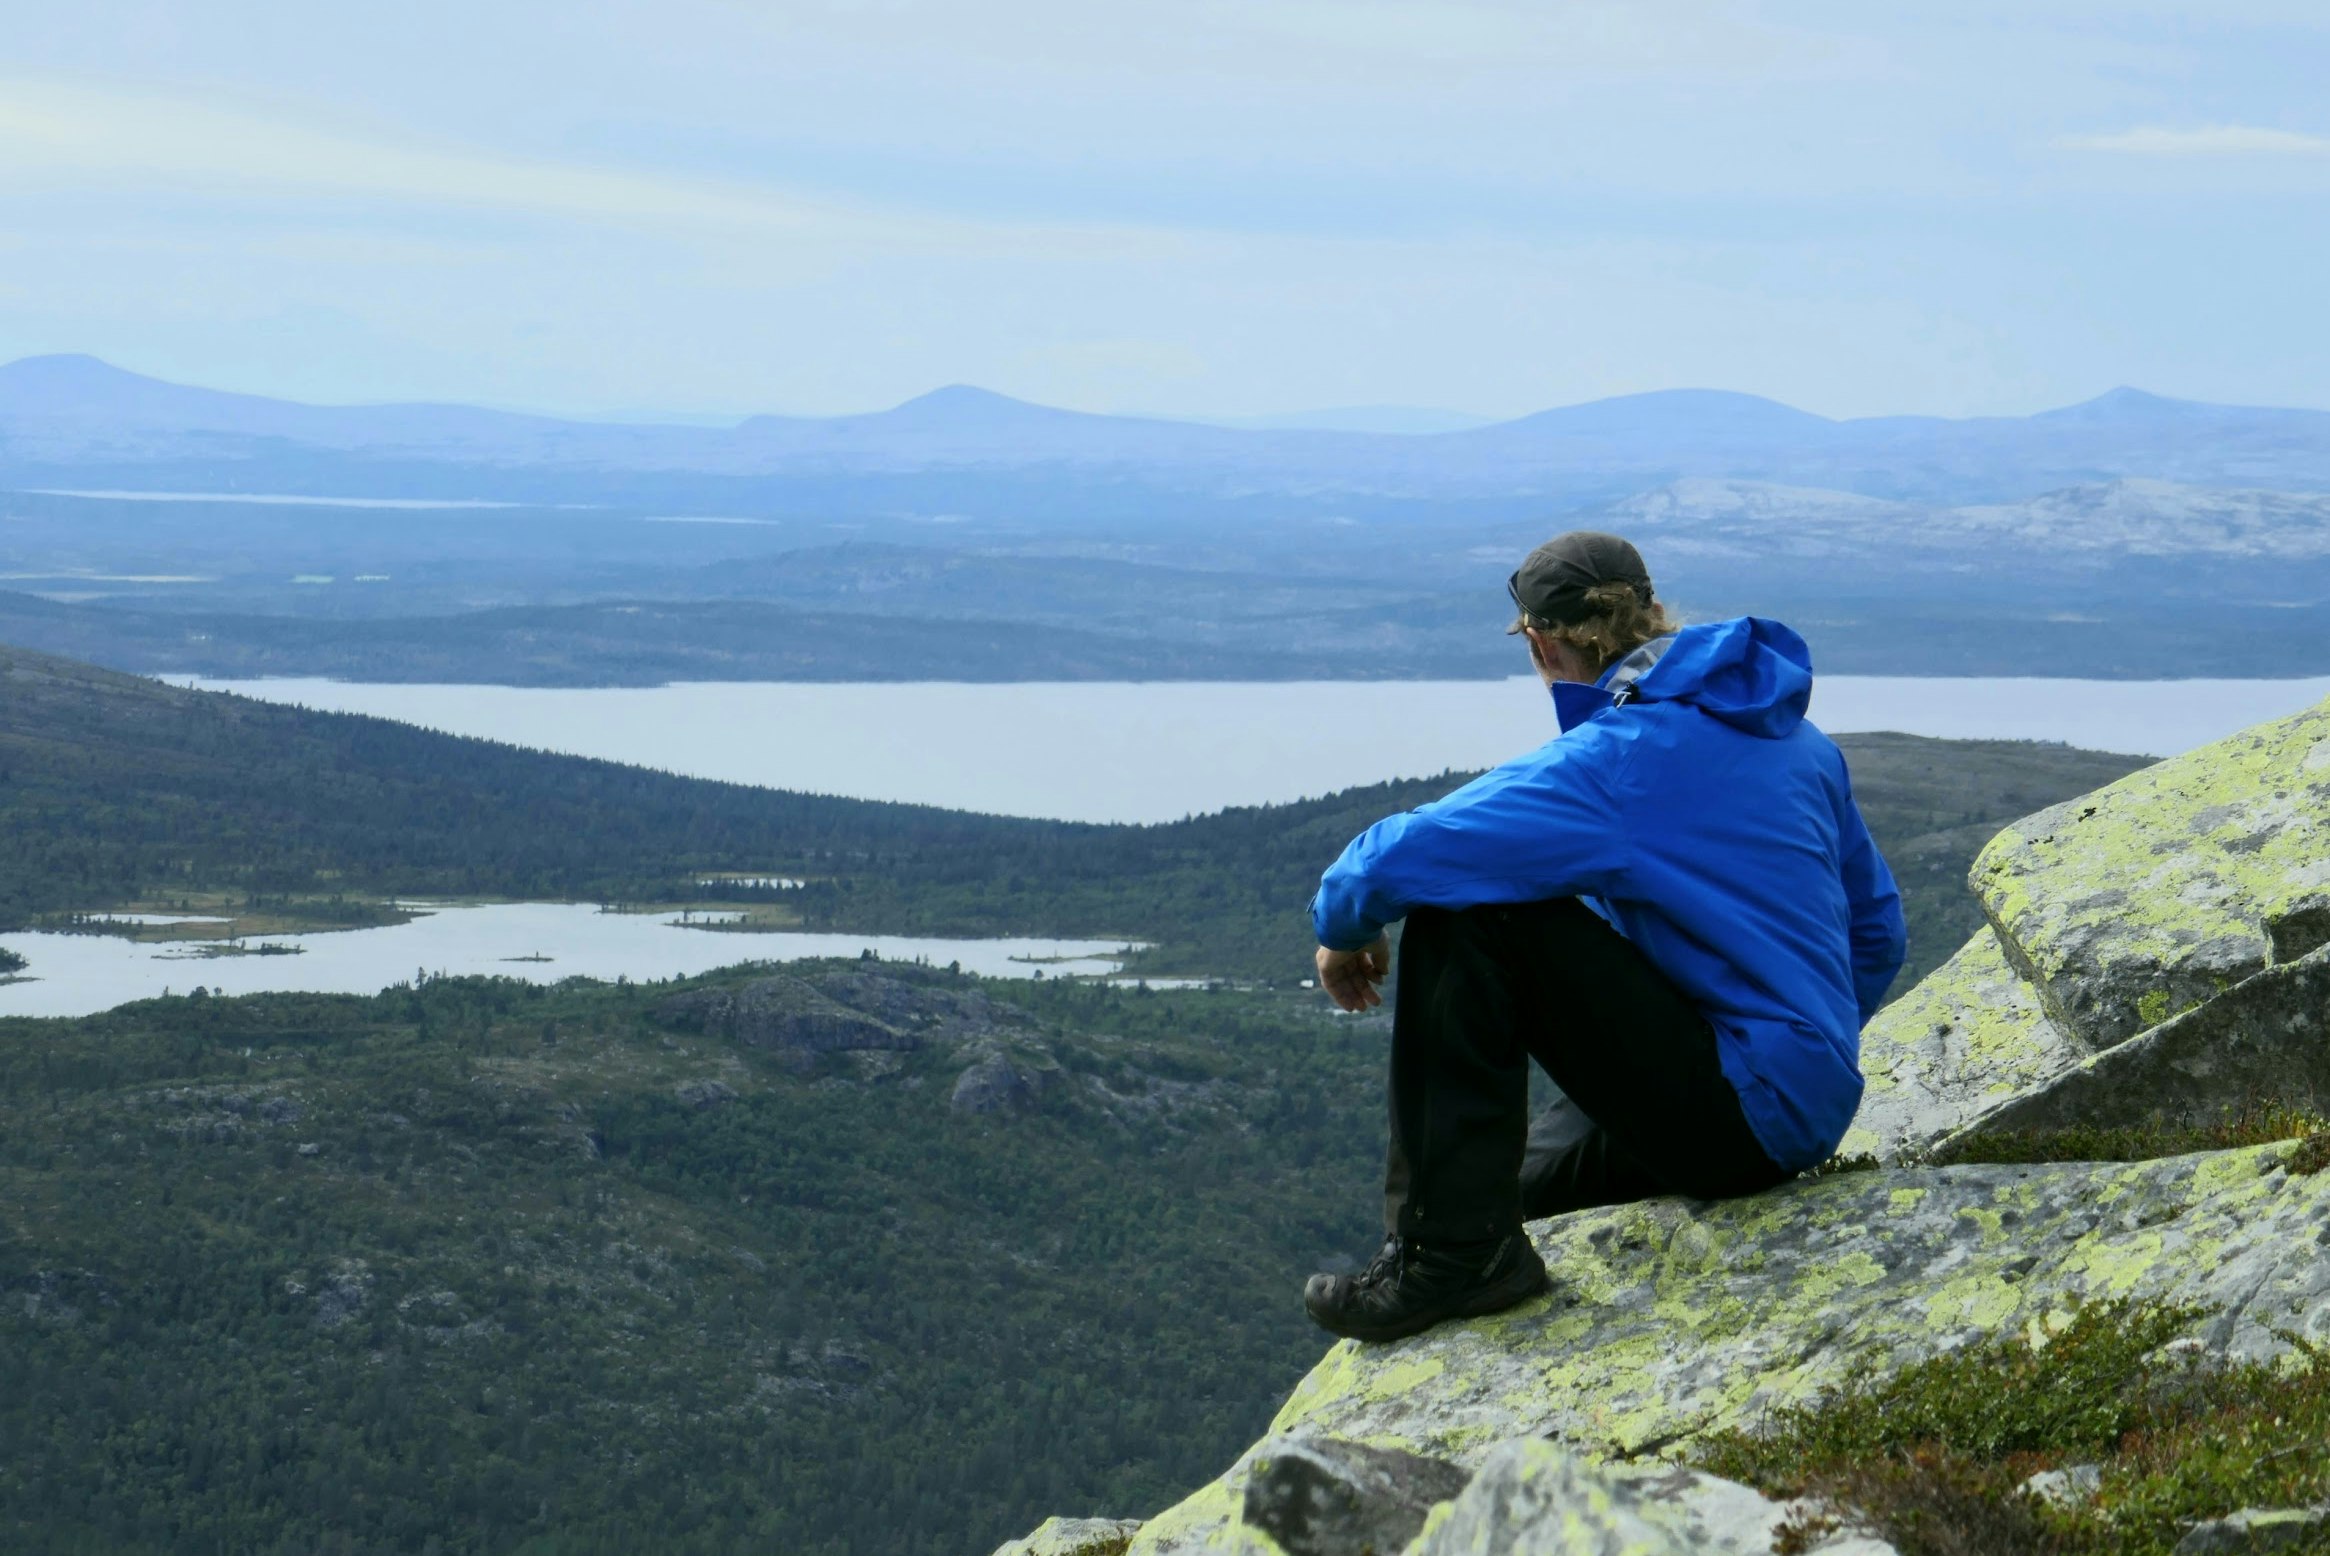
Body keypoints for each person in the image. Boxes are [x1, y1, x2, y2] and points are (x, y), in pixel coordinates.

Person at [1302, 531, 1906, 1343]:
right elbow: (1876, 932)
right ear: (1654, 611)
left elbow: (1406, 851)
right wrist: (1805, 1049)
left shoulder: (1621, 759)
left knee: (1467, 910)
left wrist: (1344, 929)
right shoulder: (1797, 739)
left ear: (1544, 646)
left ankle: (1451, 1257)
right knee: (1503, 1188)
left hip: (1739, 1109)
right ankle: (1473, 1232)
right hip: (1789, 1094)